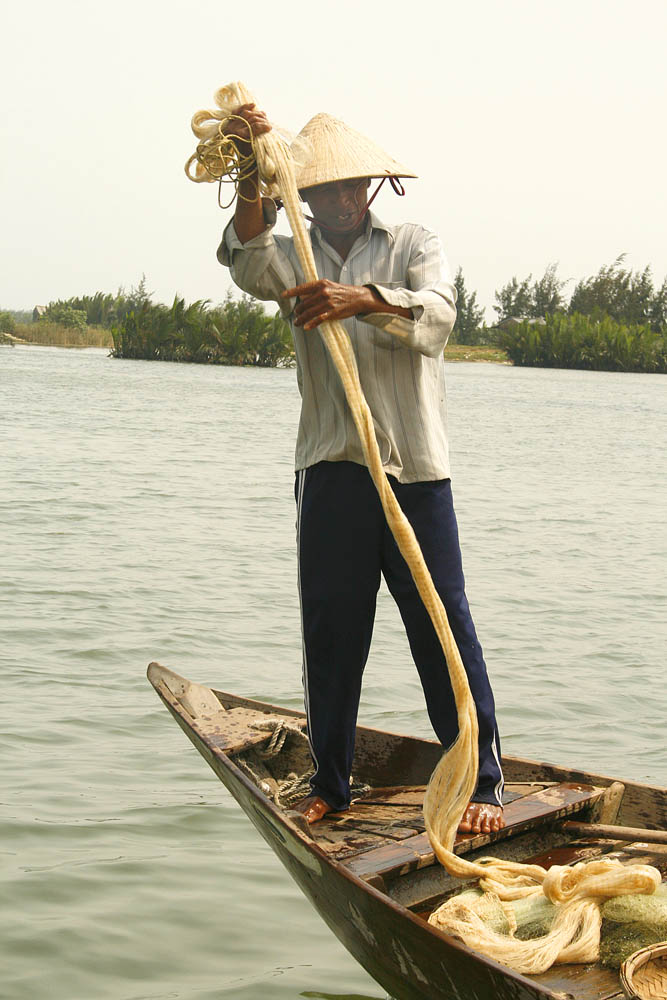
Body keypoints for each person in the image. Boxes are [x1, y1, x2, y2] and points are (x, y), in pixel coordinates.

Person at [217, 104, 505, 834]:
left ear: (369, 190)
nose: (339, 200)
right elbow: (247, 255)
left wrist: (361, 300)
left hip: (414, 469)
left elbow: (436, 321)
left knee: (443, 626)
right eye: (322, 190)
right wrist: (253, 164)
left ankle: (481, 782)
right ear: (304, 195)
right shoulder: (296, 255)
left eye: (350, 187)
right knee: (332, 631)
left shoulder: (412, 242)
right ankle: (331, 784)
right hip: (333, 470)